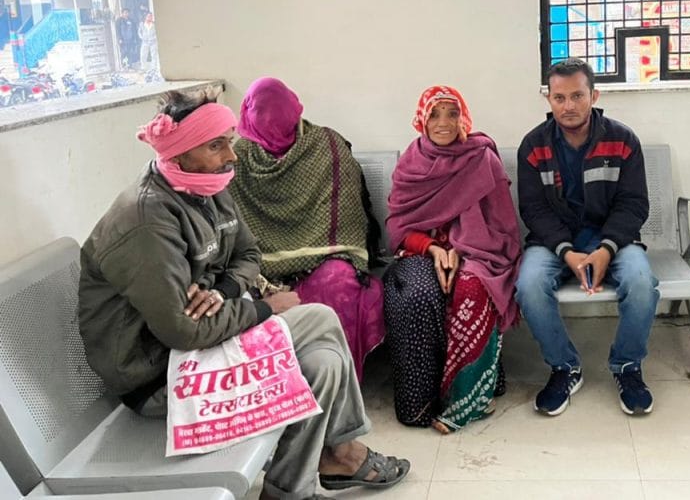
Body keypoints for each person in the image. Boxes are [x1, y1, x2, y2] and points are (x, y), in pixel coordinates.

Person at [77, 89, 409, 499]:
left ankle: (302, 479)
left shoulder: (205, 185)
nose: (231, 156)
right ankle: (333, 459)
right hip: (160, 376)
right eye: (216, 145)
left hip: (197, 348)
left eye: (229, 142)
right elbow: (182, 332)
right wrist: (268, 307)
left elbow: (248, 251)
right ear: (180, 153)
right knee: (318, 337)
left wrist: (224, 289)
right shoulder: (147, 221)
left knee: (322, 356)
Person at [515, 58, 659, 417]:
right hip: (554, 243)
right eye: (559, 97)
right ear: (549, 99)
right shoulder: (533, 145)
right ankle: (564, 367)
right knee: (529, 285)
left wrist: (607, 248)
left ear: (593, 95)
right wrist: (567, 252)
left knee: (642, 282)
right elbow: (534, 211)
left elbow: (634, 204)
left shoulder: (623, 140)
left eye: (577, 95)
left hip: (613, 238)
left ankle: (627, 366)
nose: (569, 106)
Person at [383, 85, 521, 433]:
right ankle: (420, 400)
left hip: (479, 250)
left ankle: (468, 399)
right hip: (422, 251)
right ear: (421, 120)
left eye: (452, 113)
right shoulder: (411, 164)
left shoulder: (482, 159)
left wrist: (460, 250)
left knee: (472, 288)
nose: (443, 123)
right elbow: (398, 226)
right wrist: (434, 249)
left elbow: (502, 225)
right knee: (416, 296)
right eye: (434, 114)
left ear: (464, 118)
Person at [229, 77, 385, 381]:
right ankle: (280, 387)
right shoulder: (237, 159)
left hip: (324, 258)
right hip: (261, 266)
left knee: (339, 283)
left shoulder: (327, 146)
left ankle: (339, 380)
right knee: (239, 294)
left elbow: (346, 217)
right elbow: (233, 226)